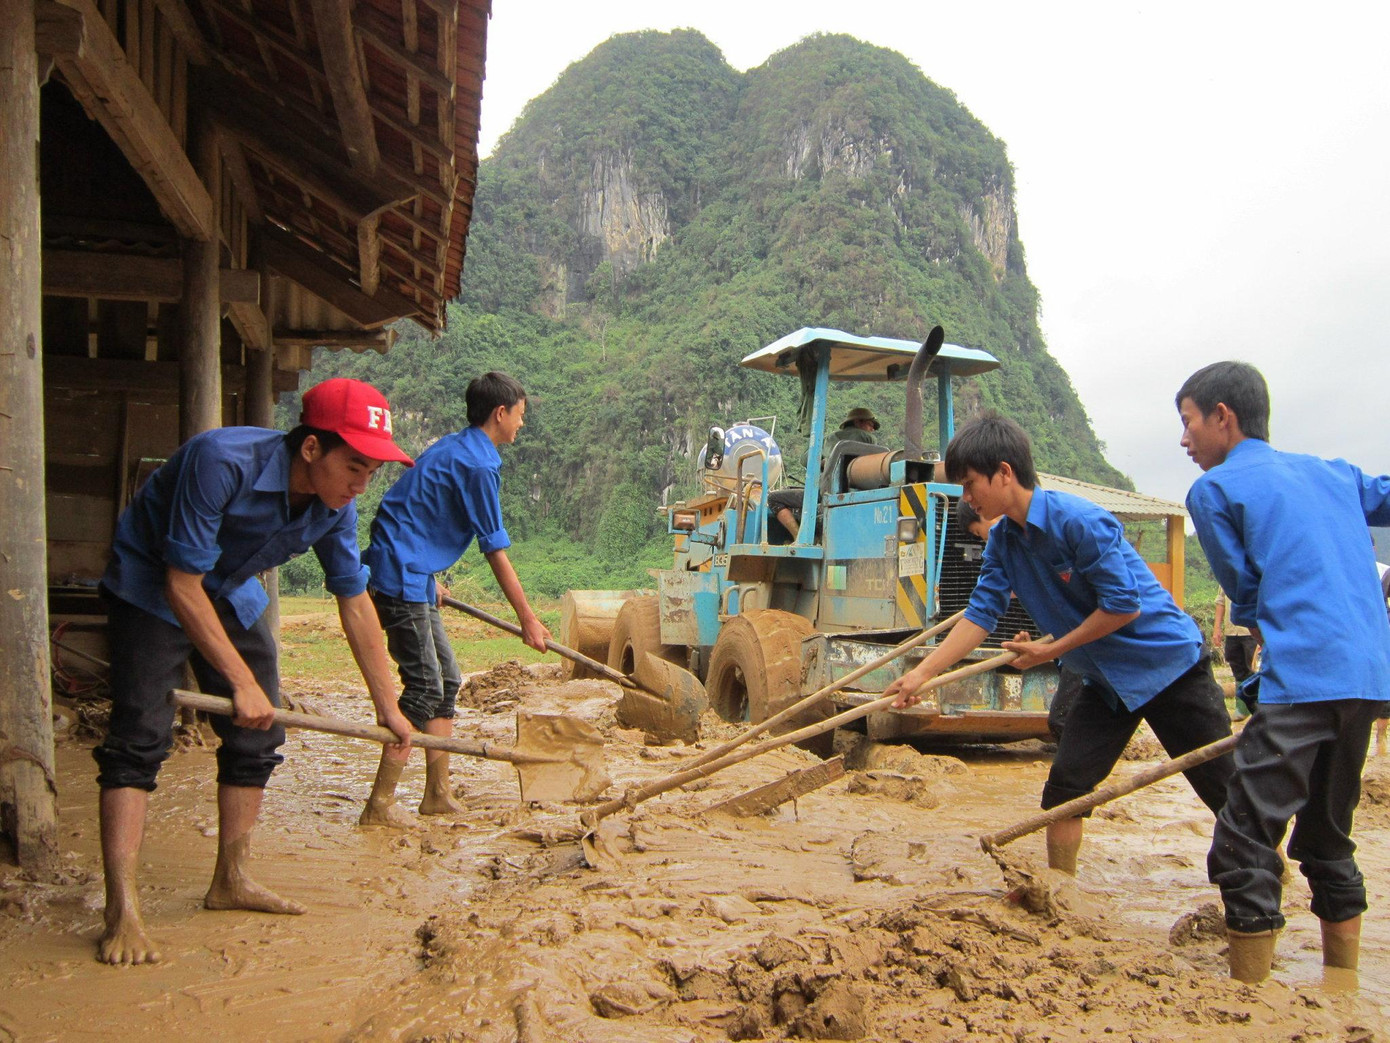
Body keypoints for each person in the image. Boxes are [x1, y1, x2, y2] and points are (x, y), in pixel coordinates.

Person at [94, 378, 416, 966]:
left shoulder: (335, 508)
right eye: (354, 466)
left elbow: (354, 601)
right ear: (311, 448)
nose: (360, 484)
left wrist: (388, 708)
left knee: (259, 734)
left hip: (229, 588)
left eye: (371, 472)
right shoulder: (221, 462)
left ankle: (231, 879)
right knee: (138, 738)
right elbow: (181, 584)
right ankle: (122, 909)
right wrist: (239, 682)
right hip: (154, 585)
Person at [884, 414, 1234, 876]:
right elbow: (980, 615)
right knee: (1065, 791)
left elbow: (1123, 606)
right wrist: (921, 674)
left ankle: (1266, 875)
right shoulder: (1002, 542)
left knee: (1226, 793)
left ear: (1004, 473)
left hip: (1168, 667)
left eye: (969, 484)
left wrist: (1051, 651)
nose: (966, 497)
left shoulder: (1080, 521)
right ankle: (1060, 893)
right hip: (1105, 682)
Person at [1178, 361, 1390, 983]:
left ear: (1223, 416)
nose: (1184, 440)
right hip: (1369, 681)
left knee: (1243, 839)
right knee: (1327, 837)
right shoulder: (1335, 473)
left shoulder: (1213, 491)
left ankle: (1251, 1000)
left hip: (1304, 678)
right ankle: (1342, 990)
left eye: (1188, 422)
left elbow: (1245, 593)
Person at [358, 371, 552, 827]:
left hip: (412, 571)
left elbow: (413, 510)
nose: (522, 424)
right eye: (520, 415)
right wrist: (527, 618)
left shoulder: (456, 447)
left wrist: (427, 573)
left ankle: (437, 793)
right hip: (399, 576)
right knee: (424, 686)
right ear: (500, 413)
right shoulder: (478, 465)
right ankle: (379, 803)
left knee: (447, 681)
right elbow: (494, 549)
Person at [772, 407, 881, 539]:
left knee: (773, 498)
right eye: (871, 425)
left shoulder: (828, 439)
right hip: (859, 494)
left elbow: (805, 460)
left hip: (825, 493)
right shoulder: (868, 438)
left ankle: (799, 538)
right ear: (858, 422)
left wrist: (822, 462)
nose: (872, 429)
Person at [1213, 589, 1259, 719]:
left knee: (1252, 669)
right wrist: (1217, 628)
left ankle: (1256, 708)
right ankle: (1242, 707)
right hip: (1231, 631)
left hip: (1251, 631)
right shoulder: (1225, 579)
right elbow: (1220, 602)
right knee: (1237, 668)